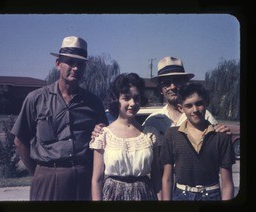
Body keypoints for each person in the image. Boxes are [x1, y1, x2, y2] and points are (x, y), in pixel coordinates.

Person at [92, 56, 231, 198]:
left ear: (185, 83)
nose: (172, 87)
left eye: (177, 81)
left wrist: (222, 130)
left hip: (197, 186)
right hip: (165, 183)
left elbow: (217, 140)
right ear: (160, 89)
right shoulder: (152, 121)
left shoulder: (203, 114)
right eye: (167, 83)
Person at [11, 36, 108, 201]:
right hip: (47, 176)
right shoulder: (36, 99)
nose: (76, 68)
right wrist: (39, 174)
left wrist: (102, 131)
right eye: (70, 62)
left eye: (80, 64)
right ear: (58, 64)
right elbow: (20, 141)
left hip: (84, 179)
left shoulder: (93, 103)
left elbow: (105, 140)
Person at [90, 73, 161, 201]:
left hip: (144, 195)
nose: (132, 103)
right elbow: (97, 179)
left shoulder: (150, 134)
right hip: (112, 195)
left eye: (136, 98)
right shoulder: (103, 134)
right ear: (117, 99)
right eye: (126, 98)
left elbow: (156, 176)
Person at [161, 82, 235, 200]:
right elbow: (167, 178)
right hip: (181, 195)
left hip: (211, 195)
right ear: (181, 108)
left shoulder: (221, 137)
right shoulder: (172, 135)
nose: (195, 109)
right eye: (189, 105)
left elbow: (227, 184)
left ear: (206, 103)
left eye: (199, 104)